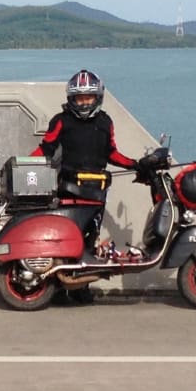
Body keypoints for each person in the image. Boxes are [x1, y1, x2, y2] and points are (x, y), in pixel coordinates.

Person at [30, 69, 138, 304]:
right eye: (80, 98)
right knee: (65, 238)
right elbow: (46, 149)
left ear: (97, 97)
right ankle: (58, 287)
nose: (84, 102)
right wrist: (20, 165)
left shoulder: (105, 122)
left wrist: (136, 165)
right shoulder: (61, 121)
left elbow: (112, 153)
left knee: (89, 240)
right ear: (72, 99)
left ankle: (81, 287)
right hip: (68, 189)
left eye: (88, 97)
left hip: (97, 190)